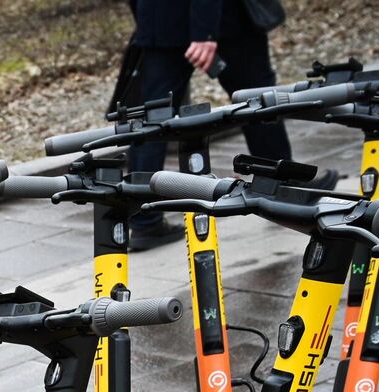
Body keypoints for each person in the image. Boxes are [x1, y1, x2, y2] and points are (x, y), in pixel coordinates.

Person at [121, 0, 304, 251]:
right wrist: (204, 32)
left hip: (160, 21)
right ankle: (284, 190)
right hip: (222, 20)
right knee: (258, 100)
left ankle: (143, 220)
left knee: (152, 119)